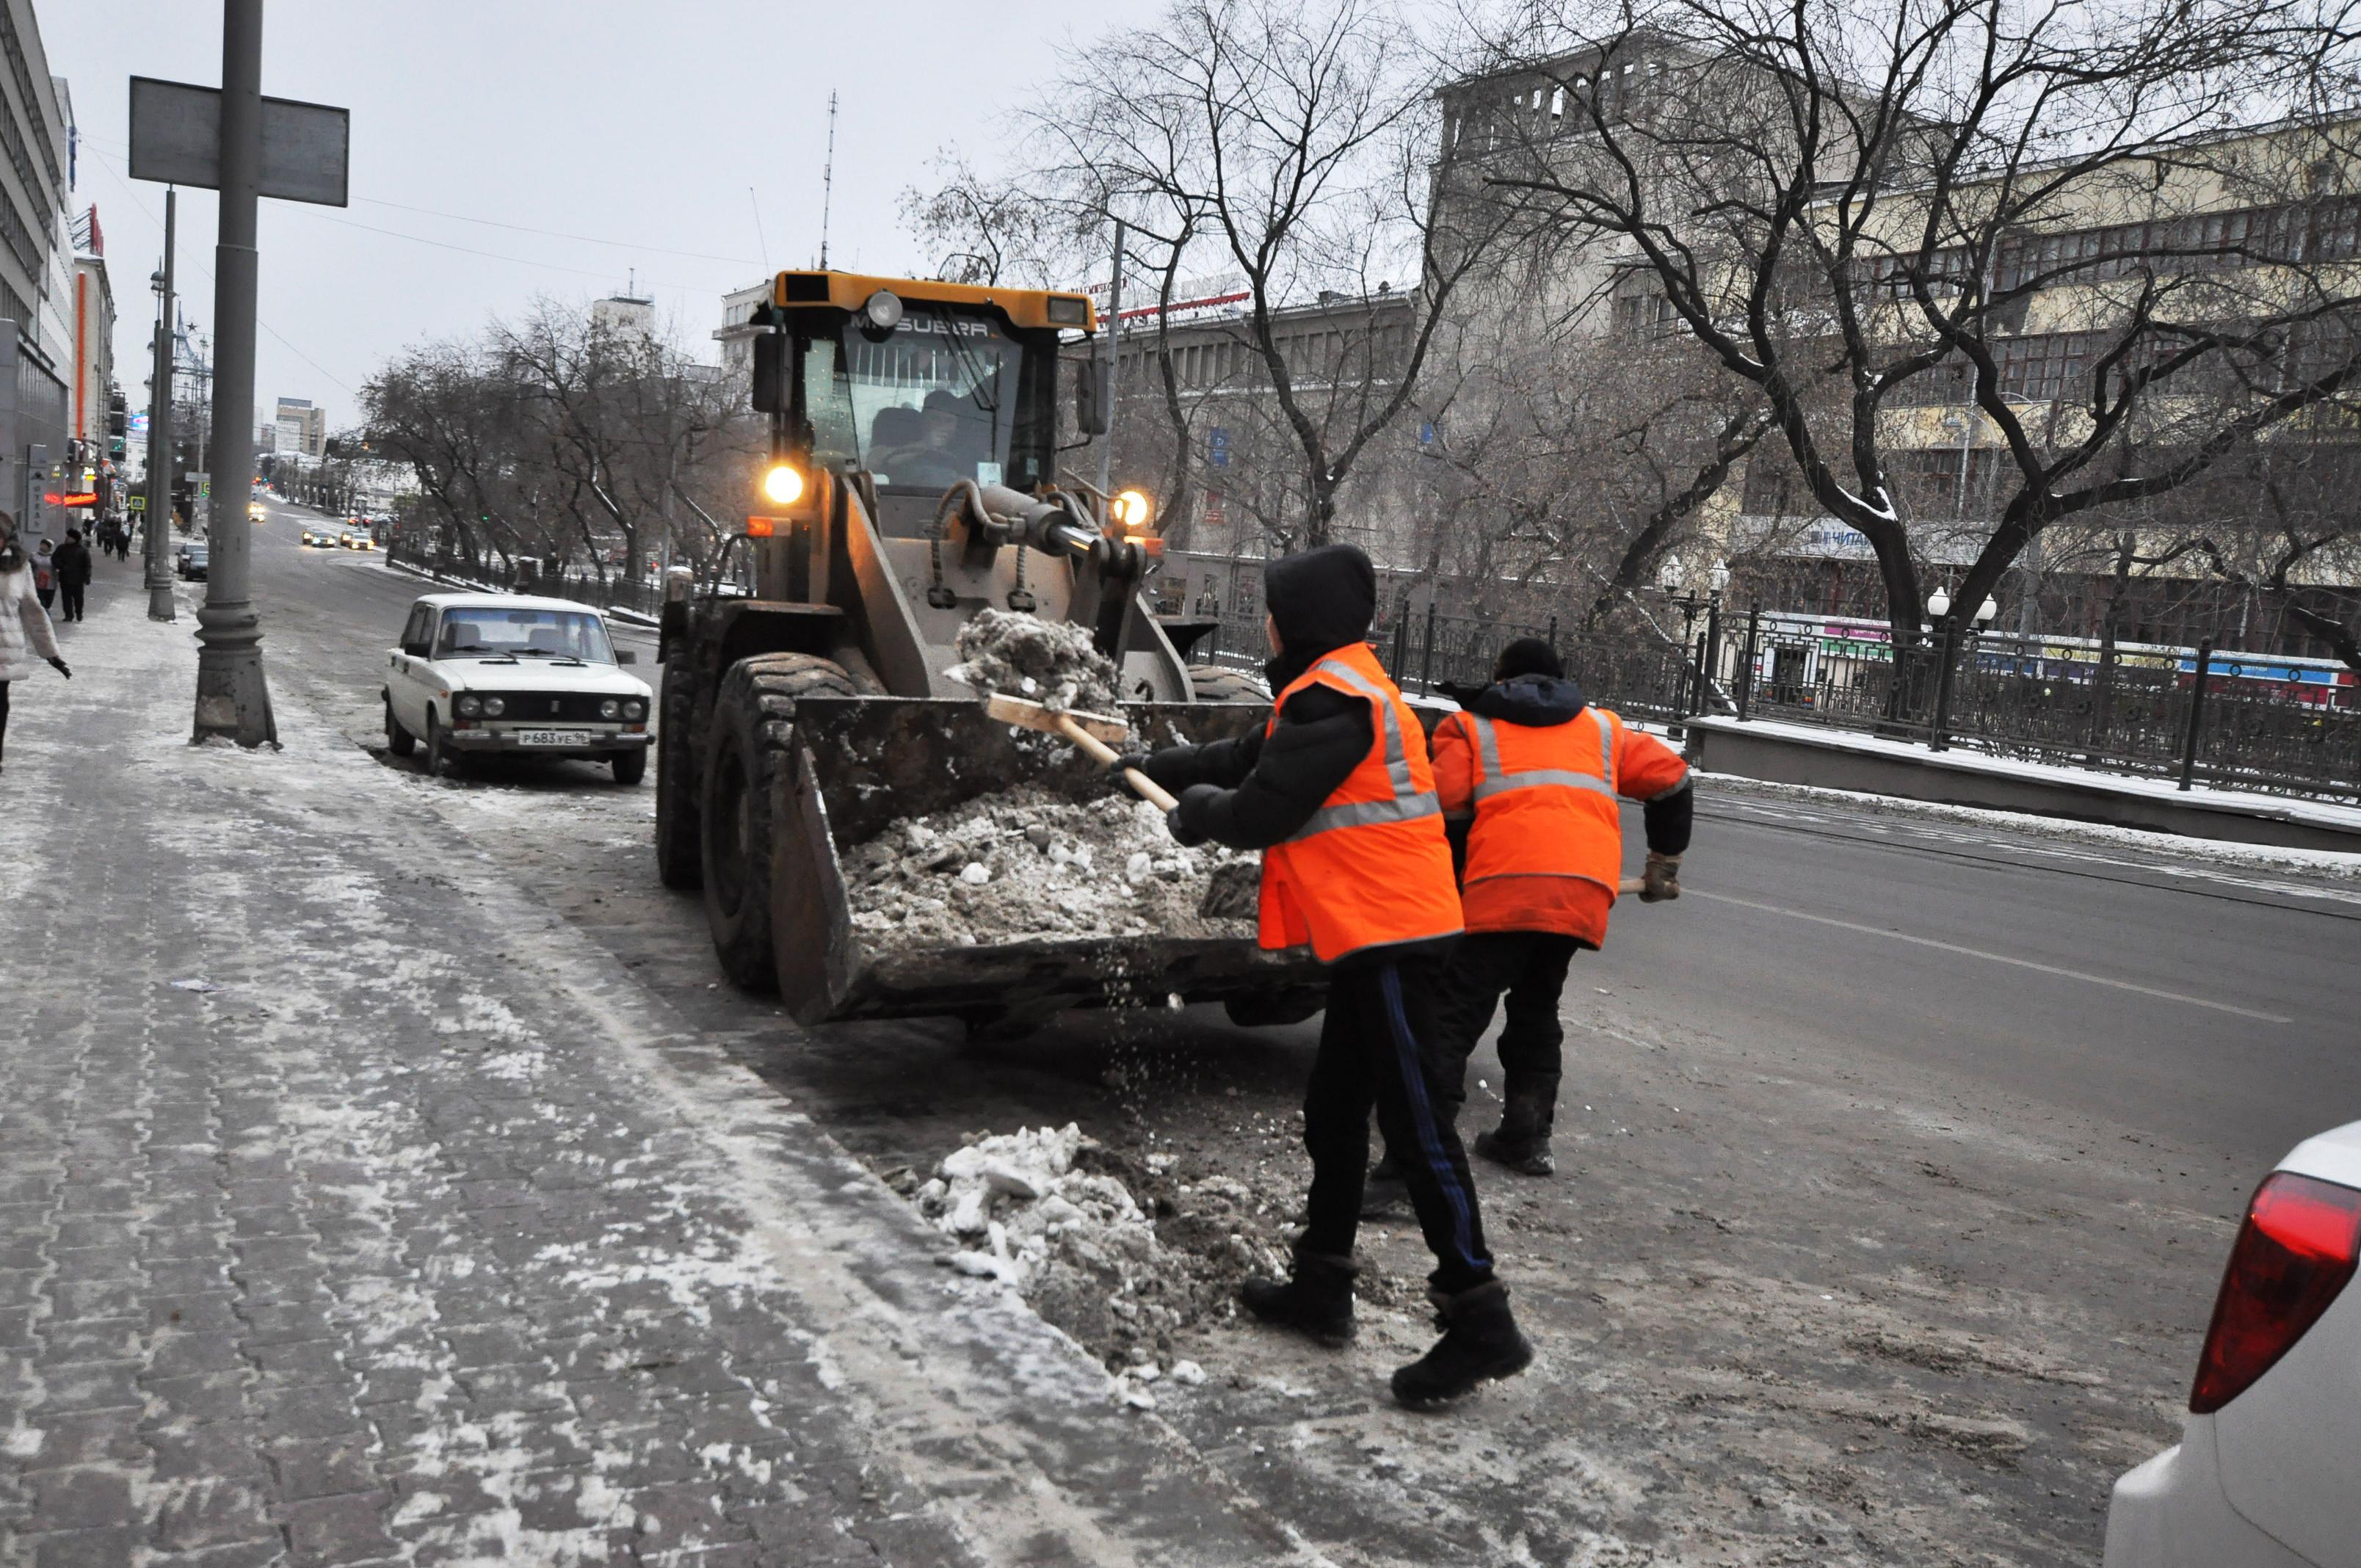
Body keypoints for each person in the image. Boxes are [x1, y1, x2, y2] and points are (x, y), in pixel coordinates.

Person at [1119, 542, 1533, 1408]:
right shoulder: (1332, 692)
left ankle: (1480, 1317)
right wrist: (1144, 770)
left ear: (1296, 621)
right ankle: (1322, 1282)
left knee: (1417, 1128)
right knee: (1335, 1110)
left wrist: (1196, 818)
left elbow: (1262, 807)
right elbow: (1242, 760)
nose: (1262, 622)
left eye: (1270, 608)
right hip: (1368, 938)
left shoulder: (1338, 702)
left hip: (1393, 938)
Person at [1426, 636, 1692, 1176]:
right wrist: (1663, 867)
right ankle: (1526, 1136)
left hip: (1500, 886)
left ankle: (1423, 1148)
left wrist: (1450, 891)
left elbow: (1446, 814)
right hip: (1581, 892)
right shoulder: (1602, 729)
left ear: (1501, 679)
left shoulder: (1470, 728)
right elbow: (1674, 781)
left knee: (1452, 1014)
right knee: (1536, 1005)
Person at [0, 512, 72, 773]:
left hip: (4, 650)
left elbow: (33, 612)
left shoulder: (18, 568)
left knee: (0, 702)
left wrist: (51, 653)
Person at [52, 529, 93, 623]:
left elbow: (88, 564)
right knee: (66, 598)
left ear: (74, 539)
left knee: (78, 598)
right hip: (65, 577)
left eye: (69, 537)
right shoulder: (61, 548)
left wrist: (87, 576)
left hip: (78, 579)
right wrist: (62, 566)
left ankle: (79, 612)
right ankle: (68, 615)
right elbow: (54, 559)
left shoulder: (83, 550)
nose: (67, 538)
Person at [32, 538, 55, 609]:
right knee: (40, 601)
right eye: (42, 545)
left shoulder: (54, 557)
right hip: (38, 581)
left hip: (50, 582)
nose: (43, 547)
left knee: (48, 601)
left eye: (45, 545)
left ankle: (46, 610)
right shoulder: (34, 555)